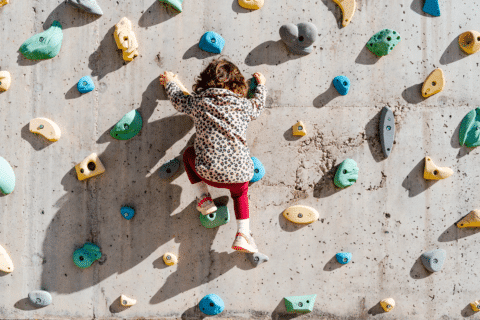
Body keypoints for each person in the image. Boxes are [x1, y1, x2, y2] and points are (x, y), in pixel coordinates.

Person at [160, 58, 267, 253]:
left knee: (188, 154)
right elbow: (258, 106)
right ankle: (243, 233)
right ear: (238, 84)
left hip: (207, 173)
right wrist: (261, 86)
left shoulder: (199, 102)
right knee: (240, 194)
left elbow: (178, 101)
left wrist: (170, 82)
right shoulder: (243, 105)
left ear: (205, 81)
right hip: (239, 174)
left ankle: (203, 198)